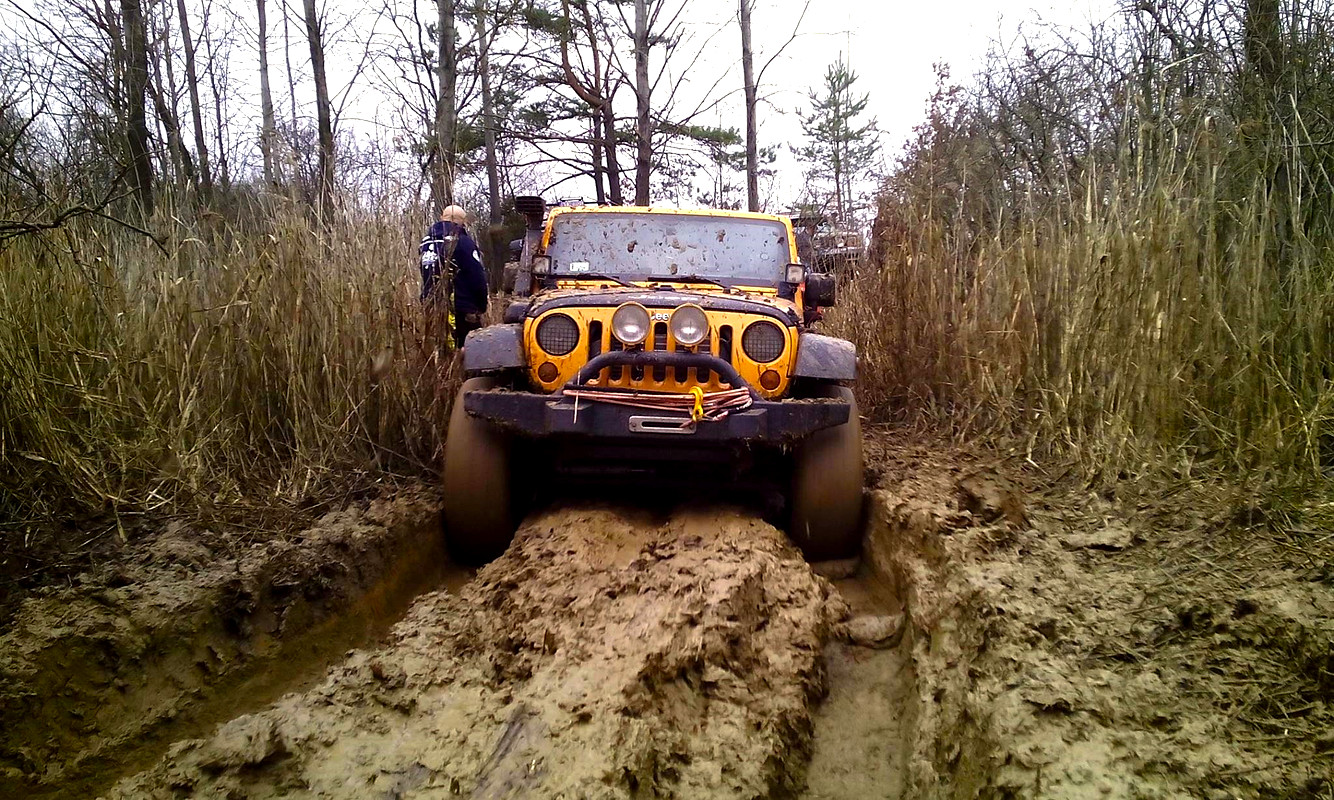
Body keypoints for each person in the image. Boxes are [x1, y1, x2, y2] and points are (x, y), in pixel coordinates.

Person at [420, 205, 488, 350]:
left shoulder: (425, 243)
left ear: (441, 218)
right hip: (461, 309)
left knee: (439, 350)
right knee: (471, 350)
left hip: (431, 307)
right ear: (462, 222)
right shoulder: (463, 242)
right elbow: (477, 276)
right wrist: (481, 305)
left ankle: (440, 372)